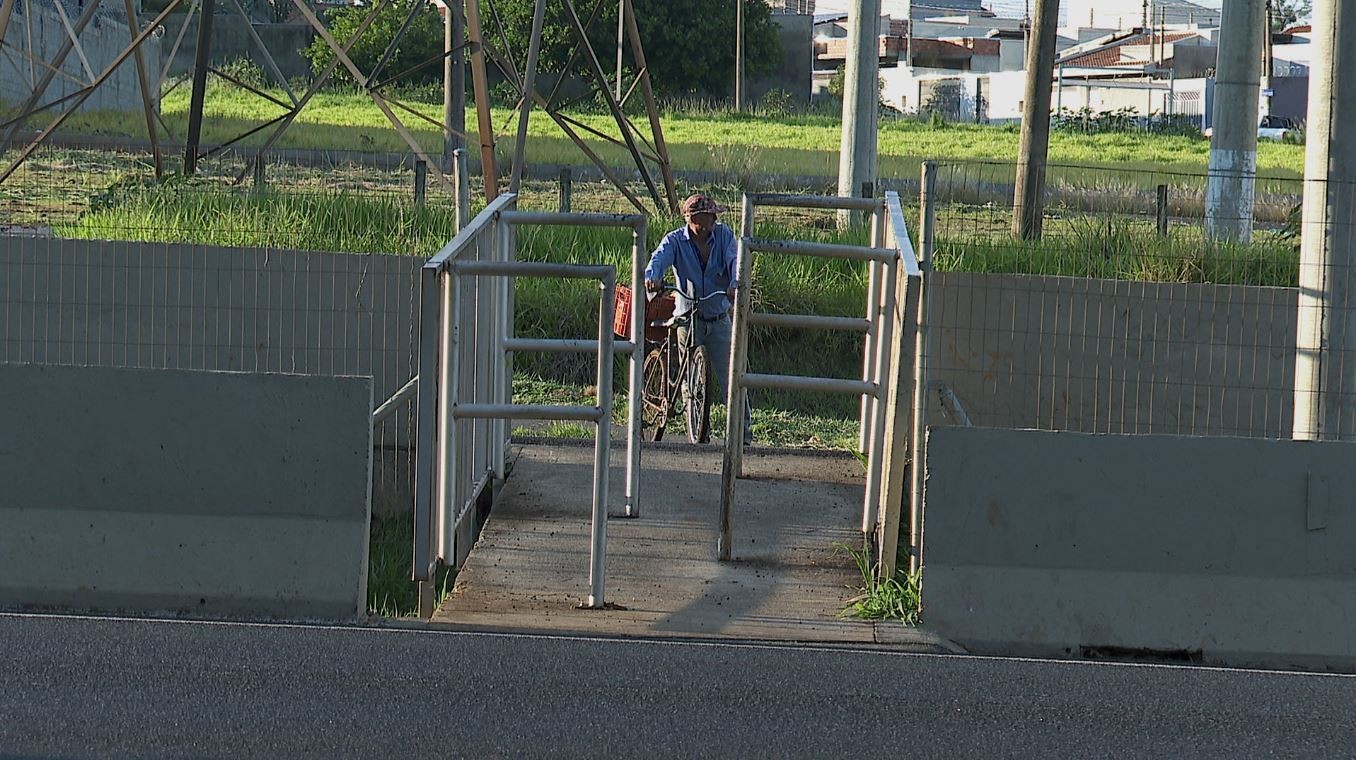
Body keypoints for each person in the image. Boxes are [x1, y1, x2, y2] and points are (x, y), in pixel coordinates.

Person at [644, 192, 754, 445]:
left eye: (711, 218)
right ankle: (695, 427)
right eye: (701, 220)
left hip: (717, 316)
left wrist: (735, 282)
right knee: (689, 375)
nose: (707, 225)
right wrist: (653, 277)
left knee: (733, 376)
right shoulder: (675, 240)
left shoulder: (724, 235)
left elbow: (734, 259)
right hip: (687, 315)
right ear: (689, 220)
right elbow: (658, 260)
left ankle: (743, 435)